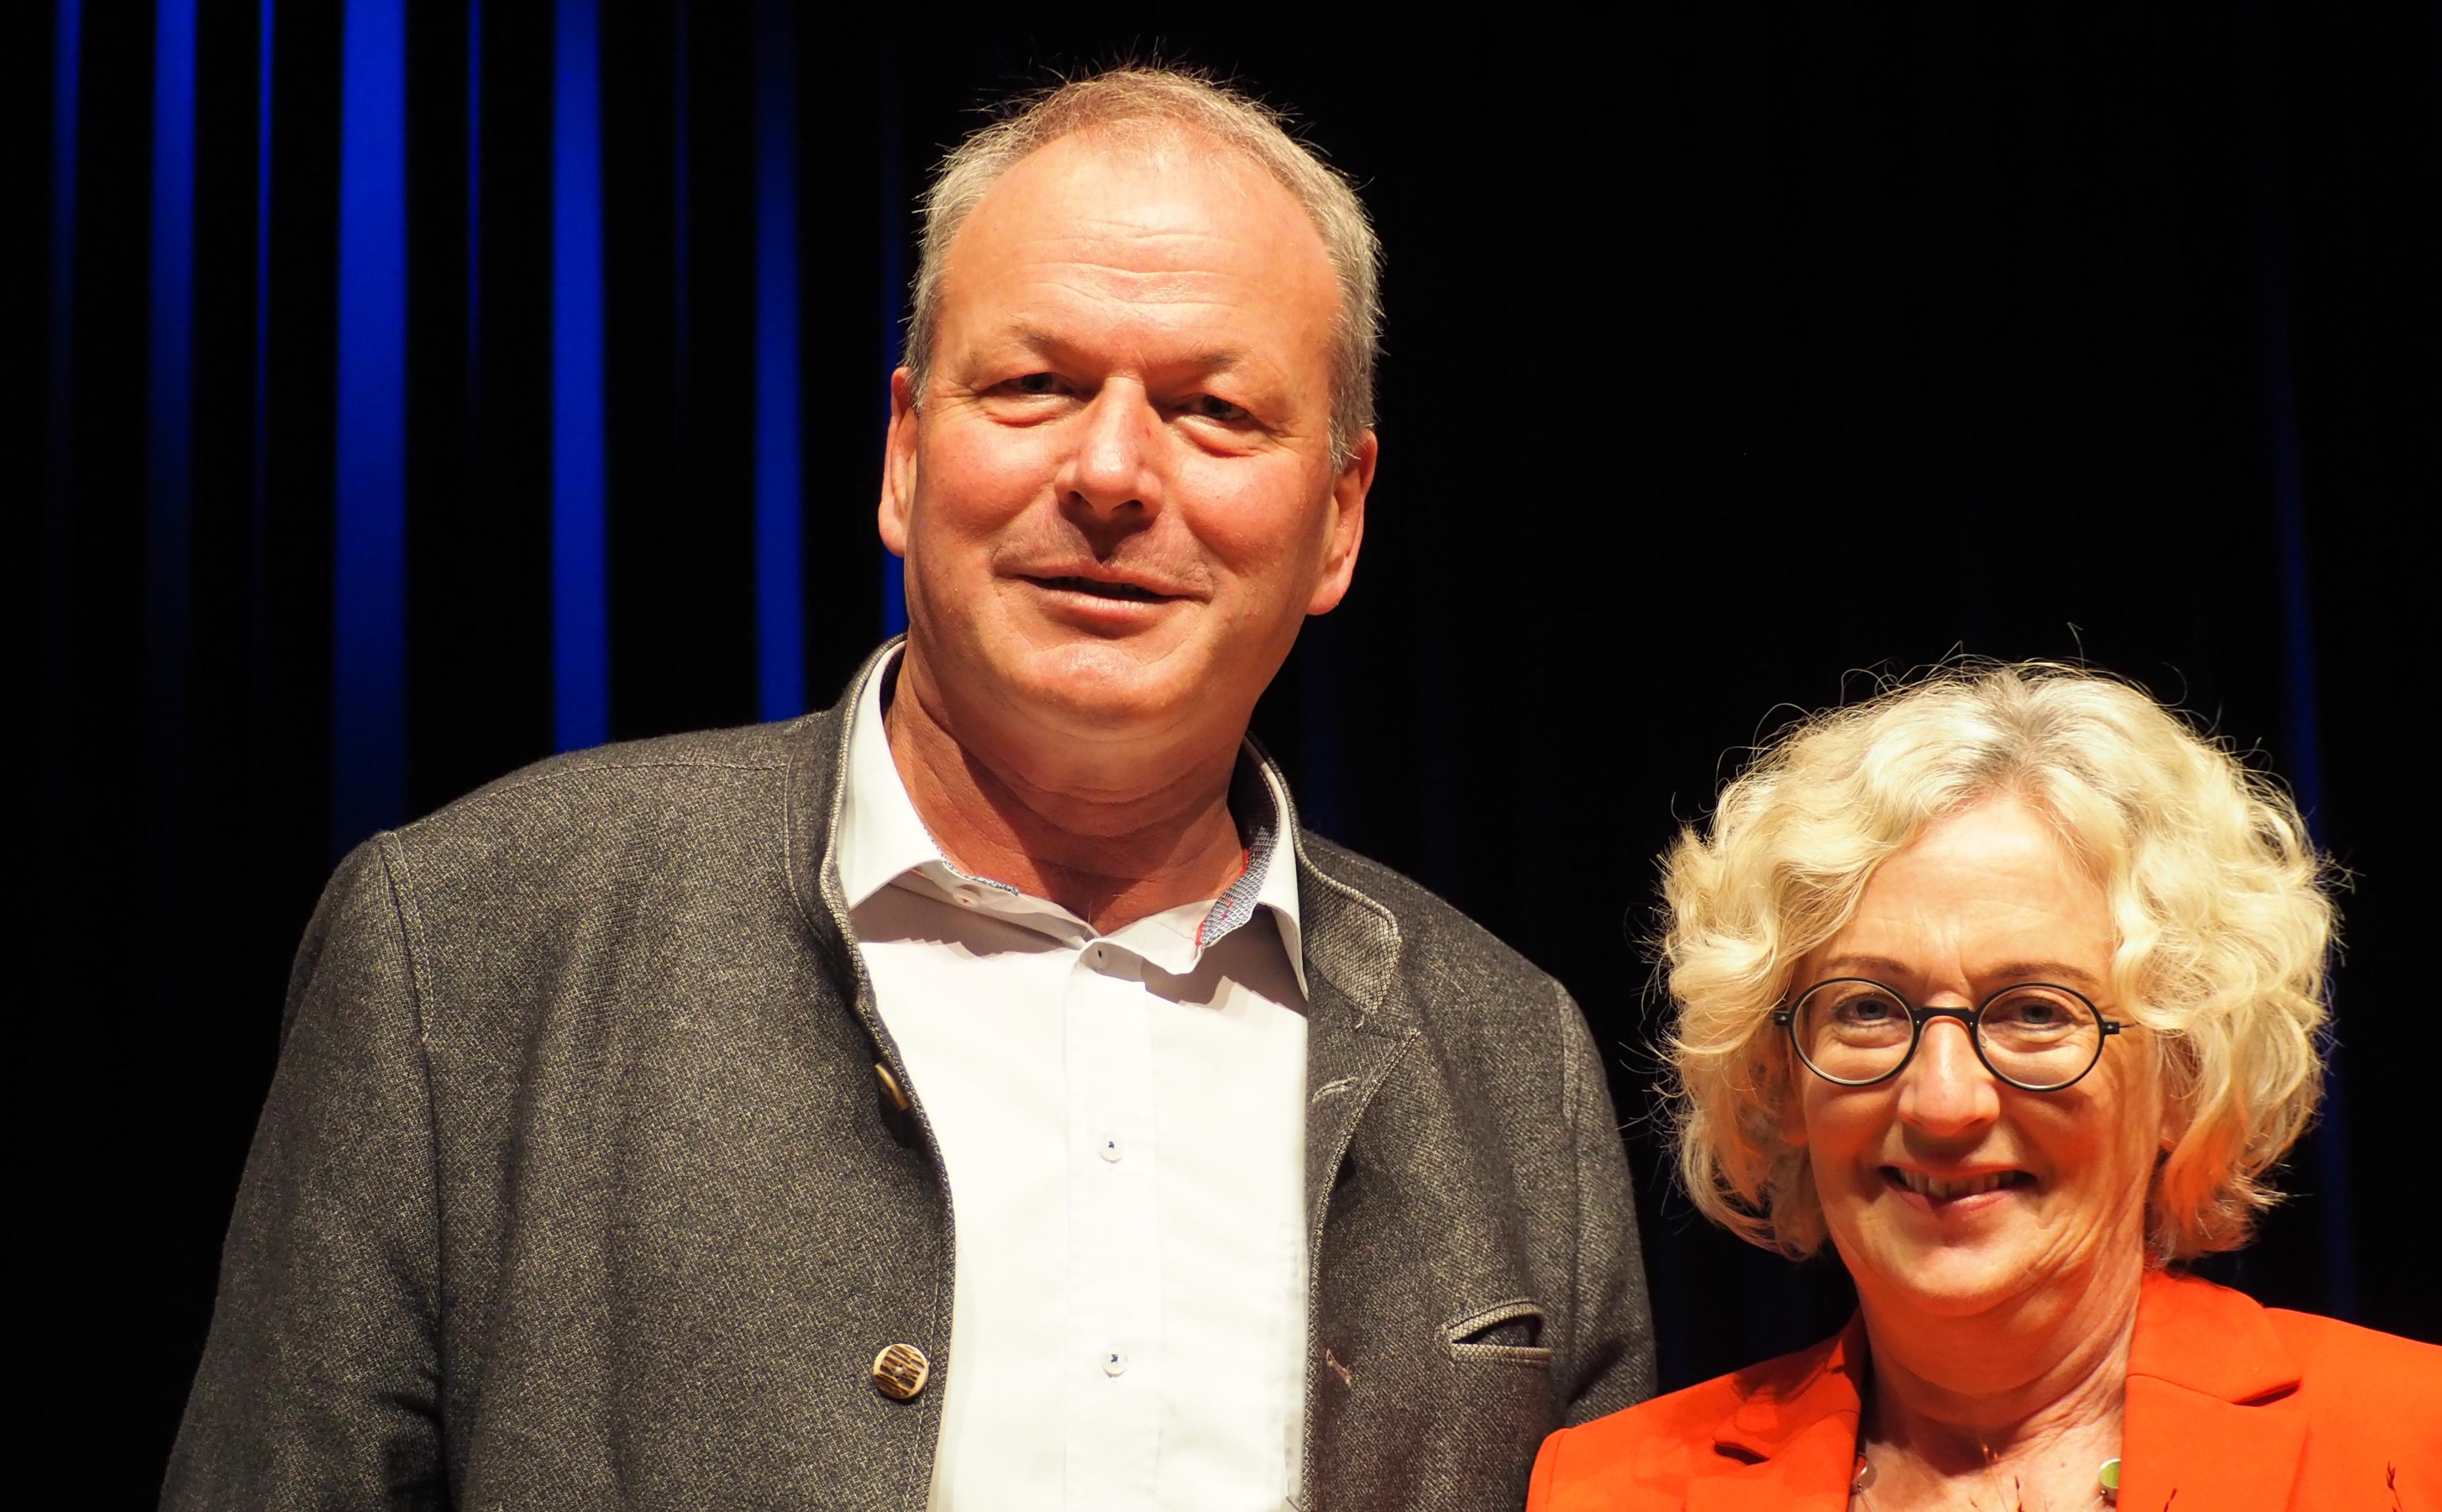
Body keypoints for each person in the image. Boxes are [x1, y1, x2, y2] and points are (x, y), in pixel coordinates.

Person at [165, 67, 1651, 1511]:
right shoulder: (466, 944)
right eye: (1033, 385)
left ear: (1338, 519)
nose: (1112, 471)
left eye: (1213, 409)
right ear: (903, 453)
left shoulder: (1511, 1059)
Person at [1529, 664, 2442, 1511]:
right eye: (1869, 1008)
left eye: (2035, 1012)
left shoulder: (2426, 1449)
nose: (1944, 1104)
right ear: (1777, 1075)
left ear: (2184, 1072)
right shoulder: (1611, 1491)